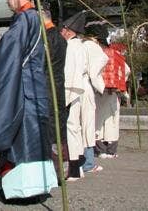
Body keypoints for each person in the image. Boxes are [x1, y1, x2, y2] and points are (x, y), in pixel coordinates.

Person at [0, 0, 58, 201]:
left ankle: (19, 190)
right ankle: (37, 187)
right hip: (38, 91)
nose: (7, 0)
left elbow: (6, 58)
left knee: (21, 142)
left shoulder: (24, 20)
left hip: (22, 92)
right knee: (36, 141)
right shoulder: (37, 19)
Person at [39, 9, 68, 180]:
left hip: (47, 87)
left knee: (49, 128)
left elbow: (41, 63)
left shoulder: (47, 38)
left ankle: (53, 171)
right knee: (59, 128)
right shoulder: (61, 38)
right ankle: (61, 168)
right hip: (58, 85)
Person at [60, 12, 88, 180]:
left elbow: (67, 72)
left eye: (63, 29)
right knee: (75, 129)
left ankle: (74, 170)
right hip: (79, 89)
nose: (62, 32)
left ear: (69, 31)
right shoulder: (82, 46)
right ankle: (79, 168)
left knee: (70, 130)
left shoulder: (70, 47)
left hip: (70, 90)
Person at [95, 35, 131, 159]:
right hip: (114, 92)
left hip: (99, 92)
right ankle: (111, 150)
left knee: (98, 121)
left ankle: (100, 150)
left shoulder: (98, 54)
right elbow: (126, 70)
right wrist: (121, 83)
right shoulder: (117, 56)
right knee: (112, 122)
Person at [80, 34, 108, 174]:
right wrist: (99, 86)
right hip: (85, 87)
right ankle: (88, 162)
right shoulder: (91, 46)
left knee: (74, 127)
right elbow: (100, 63)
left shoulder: (73, 44)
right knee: (87, 125)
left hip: (70, 86)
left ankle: (74, 161)